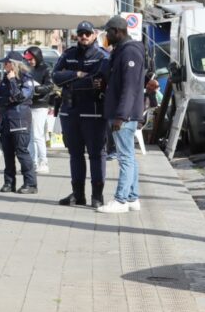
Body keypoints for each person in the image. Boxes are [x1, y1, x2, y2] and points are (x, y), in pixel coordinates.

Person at [52, 22, 110, 207]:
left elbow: (98, 80)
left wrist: (71, 82)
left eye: (87, 33)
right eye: (81, 33)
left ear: (94, 35)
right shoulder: (68, 54)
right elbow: (55, 76)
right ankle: (78, 194)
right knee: (75, 154)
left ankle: (97, 195)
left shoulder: (102, 55)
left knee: (96, 154)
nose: (84, 36)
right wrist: (77, 74)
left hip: (93, 113)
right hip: (71, 112)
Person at [98, 16, 146, 214]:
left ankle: (121, 200)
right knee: (129, 157)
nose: (106, 37)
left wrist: (121, 115)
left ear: (118, 31)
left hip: (123, 116)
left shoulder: (130, 52)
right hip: (122, 113)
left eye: (108, 33)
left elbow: (130, 87)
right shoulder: (119, 51)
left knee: (124, 158)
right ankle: (133, 197)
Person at [0, 51, 37, 194]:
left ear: (14, 64)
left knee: (21, 152)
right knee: (8, 153)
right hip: (6, 119)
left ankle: (30, 184)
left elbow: (20, 97)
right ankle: (9, 183)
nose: (4, 65)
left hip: (20, 119)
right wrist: (9, 100)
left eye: (6, 62)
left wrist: (12, 83)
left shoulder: (26, 79)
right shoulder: (5, 79)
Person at [24, 47, 54, 174]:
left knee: (38, 135)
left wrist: (35, 89)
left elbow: (50, 86)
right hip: (31, 104)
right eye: (28, 59)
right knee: (31, 136)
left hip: (40, 105)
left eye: (31, 59)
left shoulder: (46, 69)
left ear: (37, 56)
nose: (29, 61)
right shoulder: (31, 69)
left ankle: (43, 162)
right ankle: (33, 161)